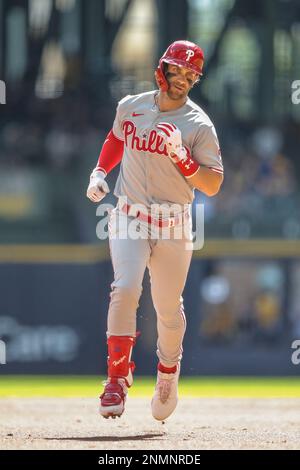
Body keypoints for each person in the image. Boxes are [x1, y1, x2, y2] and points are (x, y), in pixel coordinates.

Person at [86, 40, 224, 421]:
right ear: (161, 68)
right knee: (125, 287)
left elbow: (213, 184)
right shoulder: (131, 105)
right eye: (177, 70)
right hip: (129, 214)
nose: (181, 79)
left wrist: (185, 161)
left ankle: (167, 372)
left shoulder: (198, 124)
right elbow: (116, 138)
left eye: (190, 75)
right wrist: (100, 170)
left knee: (166, 308)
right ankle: (116, 379)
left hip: (174, 222)